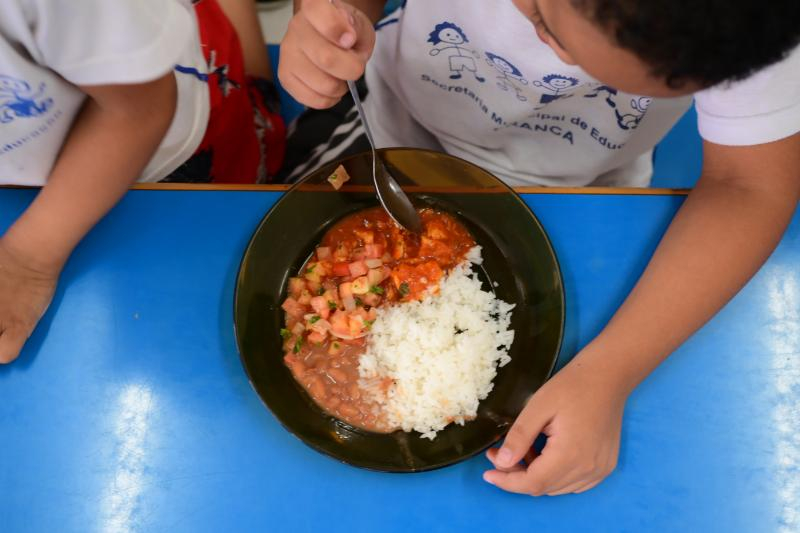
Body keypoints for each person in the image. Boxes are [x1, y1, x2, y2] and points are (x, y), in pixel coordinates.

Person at [277, 0, 800, 495]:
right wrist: (330, 21)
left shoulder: (760, 26)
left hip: (588, 186)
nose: (559, 60)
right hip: (396, 127)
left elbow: (749, 185)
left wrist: (608, 376)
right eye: (544, 22)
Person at [0, 0, 285, 364]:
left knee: (254, 118)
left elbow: (138, 110)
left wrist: (27, 261)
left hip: (169, 129)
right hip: (45, 162)